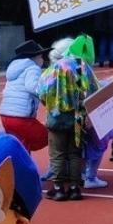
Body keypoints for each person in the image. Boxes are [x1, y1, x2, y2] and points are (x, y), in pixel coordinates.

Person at [39, 35, 96, 203]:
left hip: (57, 117)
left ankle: (58, 189)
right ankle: (74, 188)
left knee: (57, 154)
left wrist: (53, 105)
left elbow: (42, 92)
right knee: (74, 153)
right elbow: (93, 90)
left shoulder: (54, 68)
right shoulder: (82, 66)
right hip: (78, 116)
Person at [0, 39, 50, 152]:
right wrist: (47, 93)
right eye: (41, 56)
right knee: (50, 136)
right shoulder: (33, 68)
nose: (42, 60)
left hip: (6, 116)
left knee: (20, 144)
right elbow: (32, 87)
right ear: (34, 58)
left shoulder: (14, 70)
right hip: (21, 117)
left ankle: (21, 166)